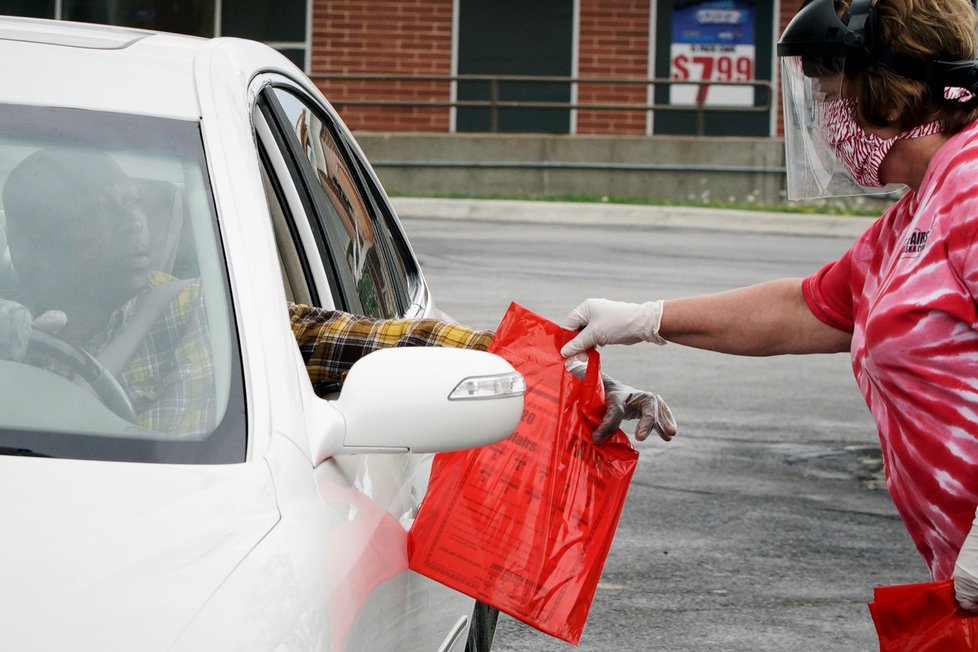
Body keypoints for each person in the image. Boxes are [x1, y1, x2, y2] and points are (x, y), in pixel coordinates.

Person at [561, 0, 978, 611]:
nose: (830, 119)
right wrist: (645, 318)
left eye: (833, 92)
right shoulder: (920, 209)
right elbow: (809, 309)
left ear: (888, 96)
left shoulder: (971, 189)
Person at [0, 146, 677, 443]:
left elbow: (391, 341)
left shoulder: (206, 312)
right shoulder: (10, 321)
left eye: (134, 202)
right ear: (35, 245)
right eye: (100, 209)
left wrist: (578, 372)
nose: (134, 220)